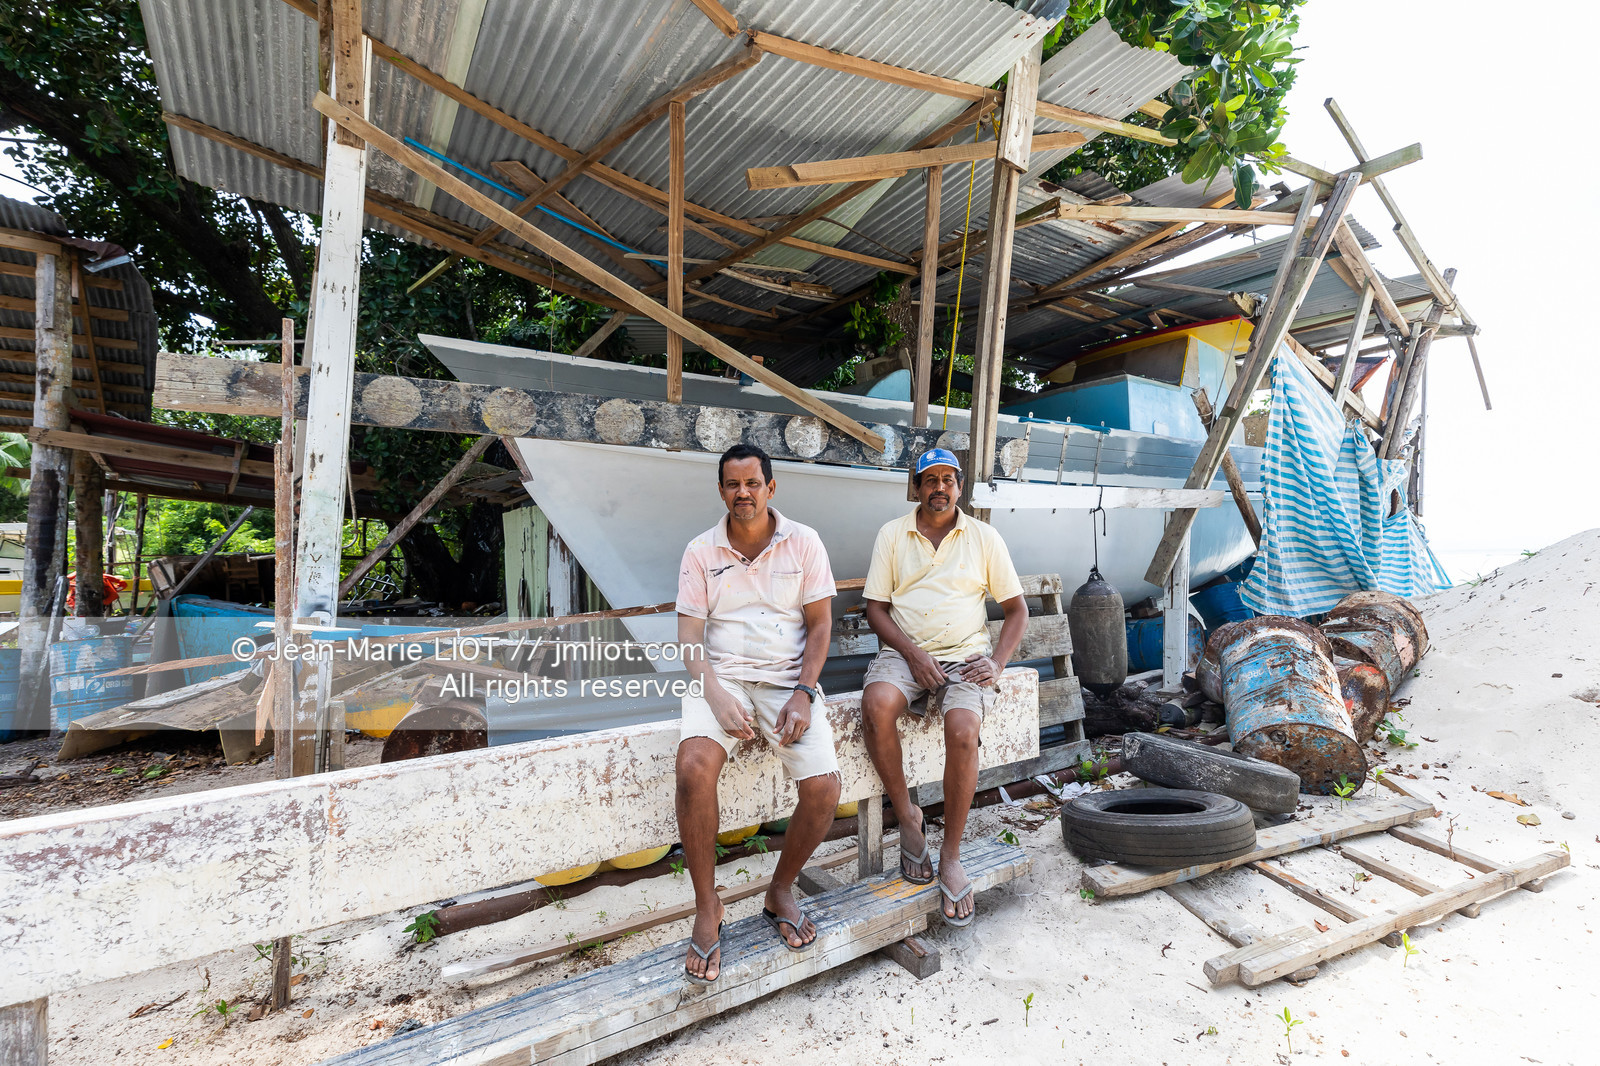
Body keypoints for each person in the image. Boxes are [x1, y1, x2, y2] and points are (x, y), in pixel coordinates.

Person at [675, 443, 843, 984]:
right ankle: (709, 907)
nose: (742, 494)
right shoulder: (700, 551)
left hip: (786, 682)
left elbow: (819, 626)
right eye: (732, 485)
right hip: (719, 677)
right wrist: (715, 693)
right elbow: (689, 640)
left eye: (752, 483)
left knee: (824, 788)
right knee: (693, 767)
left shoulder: (805, 542)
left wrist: (805, 692)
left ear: (771, 488)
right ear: (720, 490)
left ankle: (780, 889)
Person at [860, 448, 1028, 926]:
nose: (939, 488)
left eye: (948, 480)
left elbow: (1016, 610)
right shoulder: (893, 535)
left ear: (959, 487)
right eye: (929, 479)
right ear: (915, 487)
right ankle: (909, 818)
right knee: (876, 705)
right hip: (905, 652)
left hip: (966, 656)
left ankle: (951, 855)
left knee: (961, 729)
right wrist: (913, 654)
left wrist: (996, 662)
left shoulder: (984, 537)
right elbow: (875, 609)